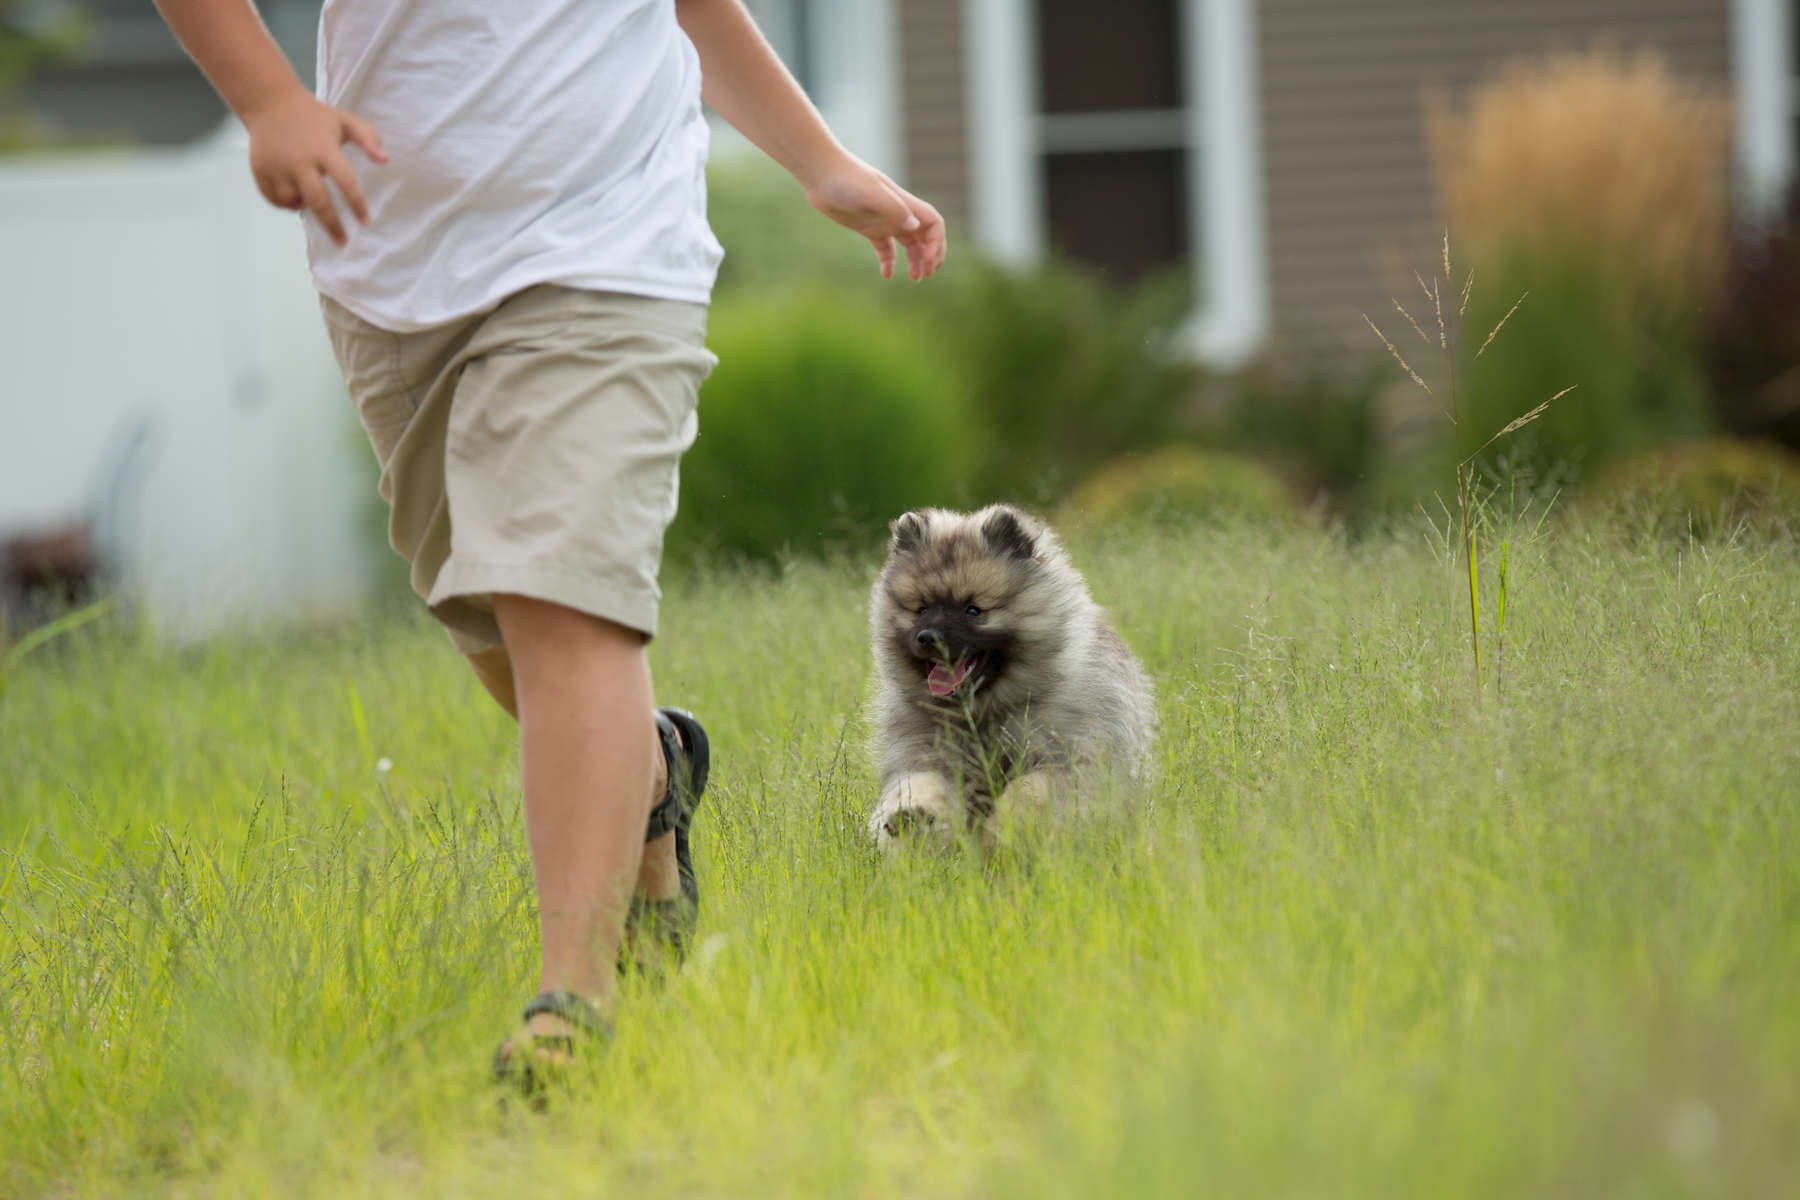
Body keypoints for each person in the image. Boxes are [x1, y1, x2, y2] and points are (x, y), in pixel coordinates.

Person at [154, 0, 946, 1089]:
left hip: (609, 248)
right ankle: (648, 774)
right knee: (487, 616)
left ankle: (572, 1002)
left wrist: (820, 161)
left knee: (558, 595)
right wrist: (267, 99)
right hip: (390, 261)